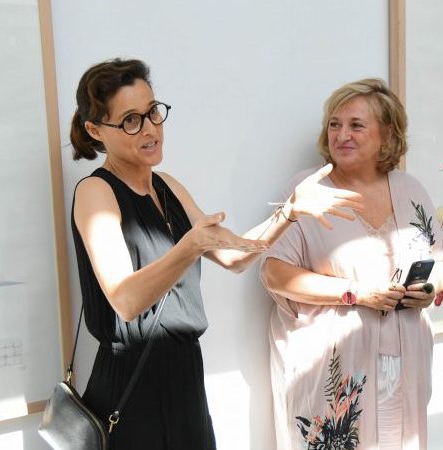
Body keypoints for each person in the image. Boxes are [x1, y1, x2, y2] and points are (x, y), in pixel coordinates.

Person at [69, 58, 362, 449]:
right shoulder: (96, 192)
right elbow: (125, 301)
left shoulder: (167, 185)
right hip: (131, 383)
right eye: (130, 121)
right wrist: (189, 247)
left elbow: (234, 257)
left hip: (184, 375)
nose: (151, 129)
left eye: (153, 112)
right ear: (95, 130)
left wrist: (289, 212)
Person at [260, 78, 443, 450]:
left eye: (356, 125)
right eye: (335, 124)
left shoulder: (410, 189)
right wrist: (356, 293)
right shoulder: (308, 191)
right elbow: (274, 272)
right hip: (333, 372)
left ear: (387, 134)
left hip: (402, 363)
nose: (341, 134)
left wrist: (430, 289)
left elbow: (439, 260)